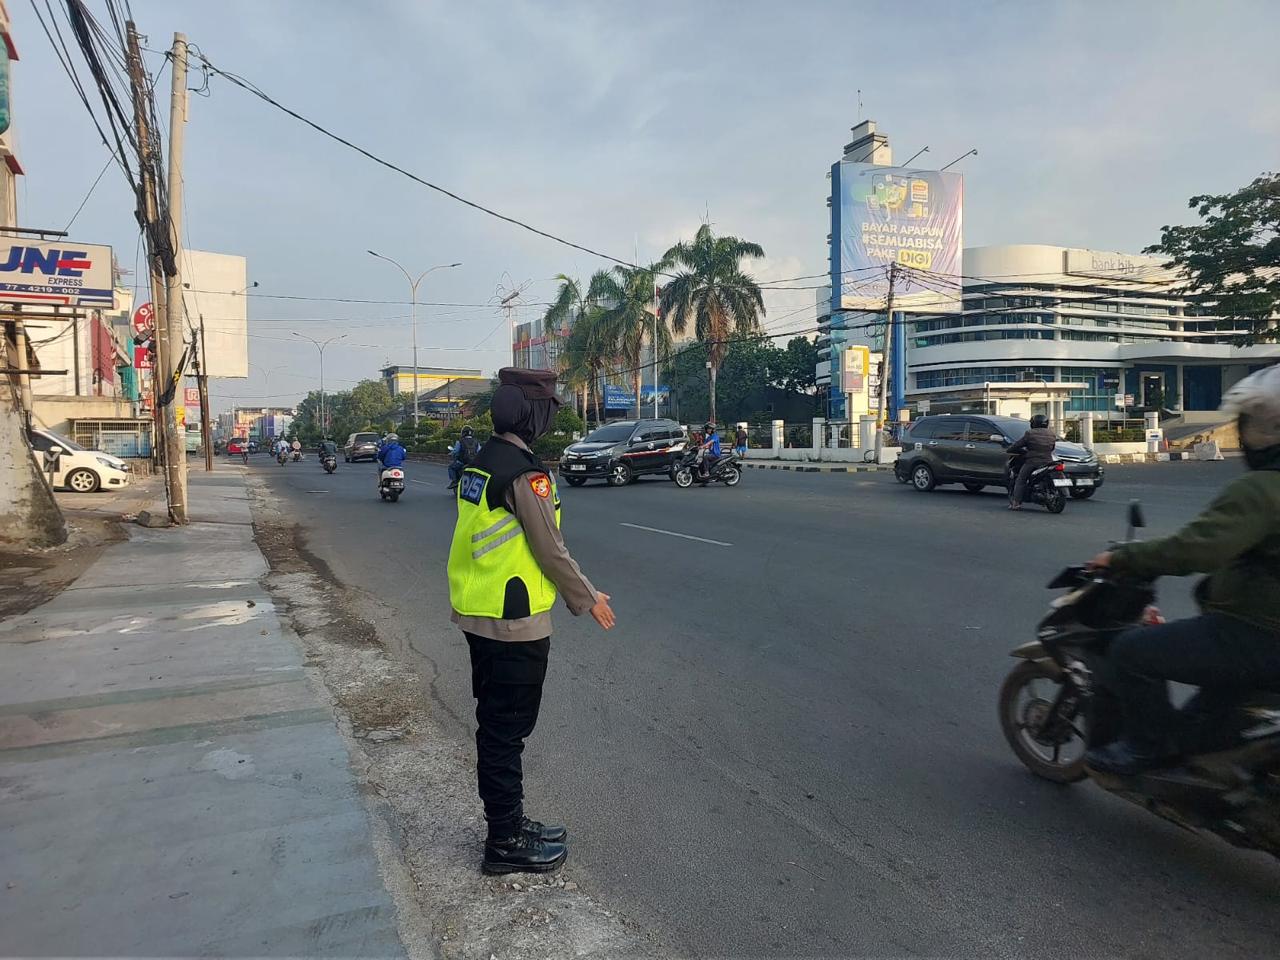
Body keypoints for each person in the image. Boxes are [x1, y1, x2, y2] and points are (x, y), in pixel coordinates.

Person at [447, 368, 616, 875]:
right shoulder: (524, 474)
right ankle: (504, 840)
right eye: (547, 410)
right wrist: (588, 598)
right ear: (531, 414)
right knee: (505, 733)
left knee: (498, 727)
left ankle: (512, 822)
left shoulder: (482, 461)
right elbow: (550, 549)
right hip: (513, 620)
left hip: (481, 611)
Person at [1083, 365, 1280, 775]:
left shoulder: (1262, 490)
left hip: (1258, 633)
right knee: (1203, 718)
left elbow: (1196, 549)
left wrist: (1122, 558)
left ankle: (1147, 748)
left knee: (1131, 651)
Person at [1006, 414, 1056, 510]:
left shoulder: (1030, 433)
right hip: (1048, 461)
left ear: (1033, 423)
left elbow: (1019, 444)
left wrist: (1010, 449)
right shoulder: (1052, 434)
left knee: (1021, 480)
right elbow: (1052, 448)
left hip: (1033, 461)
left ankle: (1016, 503)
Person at [448, 425, 480, 490]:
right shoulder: (476, 442)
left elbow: (455, 451)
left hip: (462, 462)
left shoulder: (460, 441)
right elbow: (479, 451)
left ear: (463, 433)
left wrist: (451, 453)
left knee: (451, 467)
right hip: (474, 463)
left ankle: (454, 481)